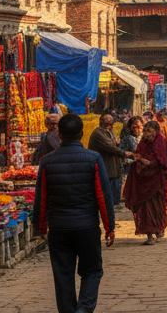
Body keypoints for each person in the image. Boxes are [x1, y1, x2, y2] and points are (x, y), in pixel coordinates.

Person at [32, 113, 115, 313]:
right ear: (82, 133)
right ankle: (84, 310)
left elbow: (41, 198)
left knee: (62, 276)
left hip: (59, 228)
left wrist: (40, 227)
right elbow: (103, 196)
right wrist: (109, 226)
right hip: (87, 227)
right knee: (92, 271)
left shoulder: (47, 161)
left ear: (58, 134)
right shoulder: (93, 158)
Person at [122, 118, 167, 245]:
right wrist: (138, 159)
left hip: (157, 181)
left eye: (149, 131)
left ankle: (158, 228)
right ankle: (149, 235)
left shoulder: (161, 143)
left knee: (157, 207)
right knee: (145, 209)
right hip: (143, 181)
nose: (146, 134)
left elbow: (163, 162)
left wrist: (145, 161)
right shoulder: (143, 143)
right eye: (145, 131)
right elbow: (138, 156)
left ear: (156, 132)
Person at [88, 114, 134, 208]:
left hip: (112, 166)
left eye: (110, 121)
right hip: (105, 166)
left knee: (113, 190)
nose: (109, 123)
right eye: (107, 121)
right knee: (106, 192)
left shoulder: (109, 132)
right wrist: (124, 153)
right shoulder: (99, 133)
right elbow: (110, 147)